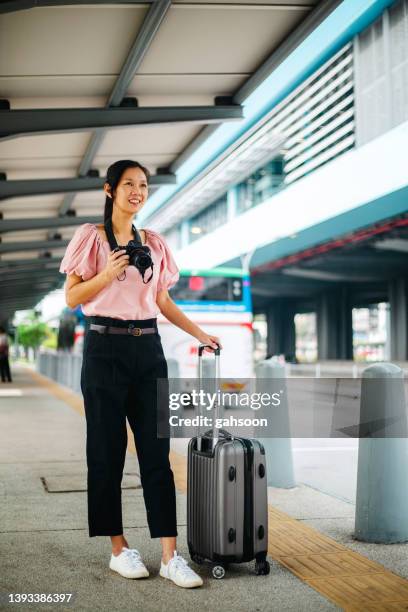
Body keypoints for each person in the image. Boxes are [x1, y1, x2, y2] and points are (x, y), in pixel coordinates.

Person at [59, 159, 222, 588]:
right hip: (103, 348)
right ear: (110, 190)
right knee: (106, 453)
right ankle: (118, 548)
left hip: (148, 349)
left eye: (144, 185)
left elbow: (163, 301)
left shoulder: (154, 241)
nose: (138, 190)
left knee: (156, 453)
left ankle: (171, 555)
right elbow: (72, 295)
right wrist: (107, 274)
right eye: (129, 184)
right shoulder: (90, 238)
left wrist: (200, 332)